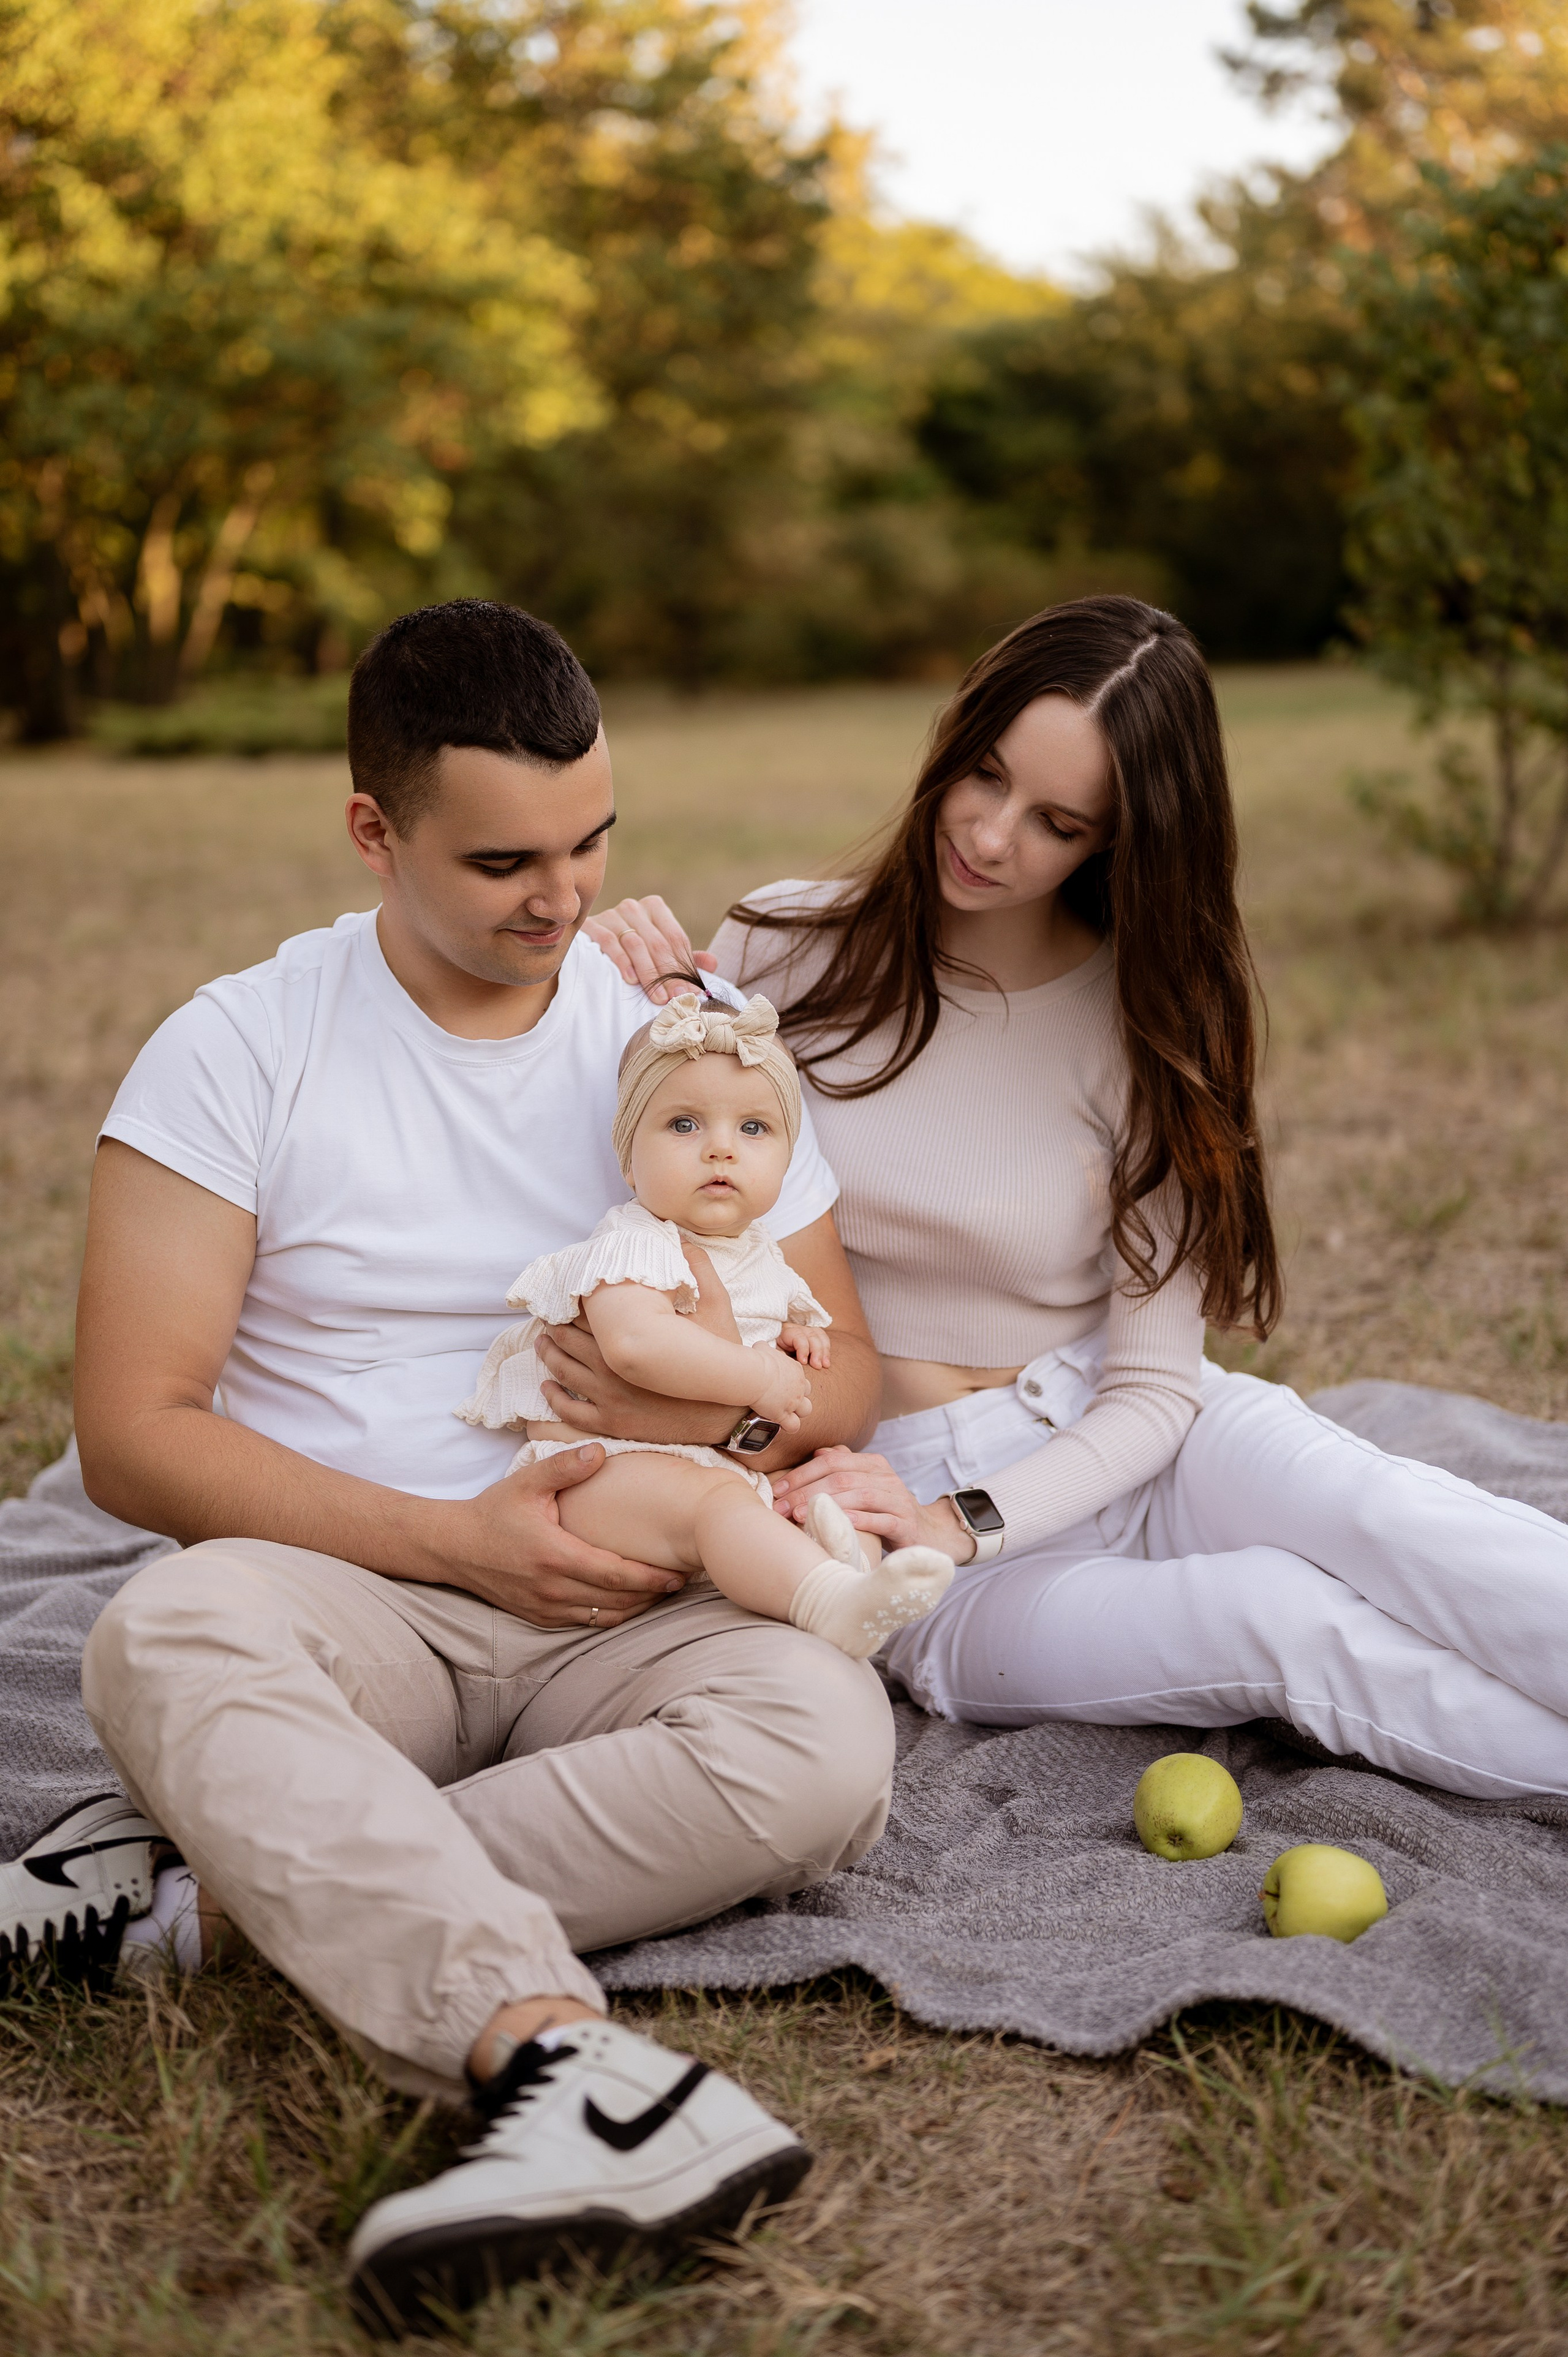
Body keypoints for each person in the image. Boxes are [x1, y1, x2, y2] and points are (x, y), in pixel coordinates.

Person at [42, 599, 895, 2333]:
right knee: (167, 1639)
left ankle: (213, 1893)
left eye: (594, 843)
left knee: (826, 1756)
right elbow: (133, 1434)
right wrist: (451, 1541)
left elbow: (842, 1374)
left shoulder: (677, 1037)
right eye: (506, 858)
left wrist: (717, 1424)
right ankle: (567, 2068)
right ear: (374, 828)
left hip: (640, 1588)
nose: (564, 900)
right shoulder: (239, 1046)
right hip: (361, 1593)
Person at [586, 594, 1568, 1804]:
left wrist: (977, 1510)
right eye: (983, 777)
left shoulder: (1146, 1018)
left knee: (1396, 1517)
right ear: (954, 740)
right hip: (908, 1524)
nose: (991, 837)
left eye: (1054, 821)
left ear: (1118, 840)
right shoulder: (778, 949)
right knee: (1281, 1621)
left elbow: (1153, 1385)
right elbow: (647, 1179)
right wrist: (628, 994)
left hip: (1125, 1431)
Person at [458, 987, 952, 1654]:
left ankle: (854, 1588)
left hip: (711, 1469)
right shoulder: (634, 1244)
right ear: (630, 1158)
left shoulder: (761, 1259)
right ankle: (826, 1597)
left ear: (786, 1161)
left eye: (753, 1129)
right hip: (605, 1474)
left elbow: (777, 1336)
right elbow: (637, 1344)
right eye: (685, 1124)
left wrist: (794, 1340)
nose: (721, 1149)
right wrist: (757, 1372)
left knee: (812, 1494)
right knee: (717, 1508)